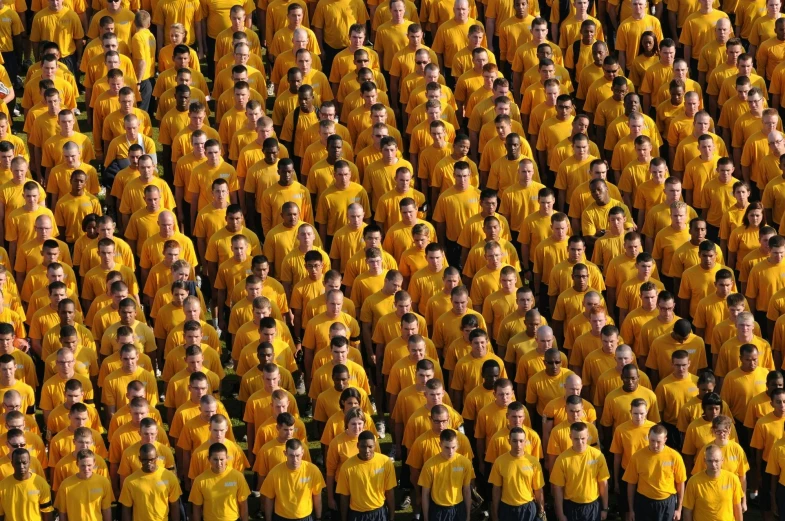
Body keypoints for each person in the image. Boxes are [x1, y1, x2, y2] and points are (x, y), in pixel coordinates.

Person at [622, 424, 687, 521]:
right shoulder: (637, 457)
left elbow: (680, 483)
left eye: (658, 442)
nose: (655, 445)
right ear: (648, 437)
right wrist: (631, 509)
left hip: (667, 503)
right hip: (644, 502)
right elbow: (631, 483)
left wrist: (679, 509)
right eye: (652, 440)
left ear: (665, 439)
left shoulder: (675, 457)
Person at [550, 422, 610, 521]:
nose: (580, 442)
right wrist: (560, 514)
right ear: (570, 437)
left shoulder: (597, 456)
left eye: (583, 438)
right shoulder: (562, 459)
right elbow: (558, 488)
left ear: (588, 436)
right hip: (571, 506)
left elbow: (603, 483)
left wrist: (605, 508)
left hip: (593, 506)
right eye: (576, 439)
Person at [335, 431, 396, 521]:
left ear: (375, 446)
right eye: (363, 446)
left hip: (379, 513)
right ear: (357, 446)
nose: (366, 450)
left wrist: (392, 516)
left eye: (370, 447)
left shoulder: (385, 463)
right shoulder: (347, 467)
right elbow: (344, 496)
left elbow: (389, 492)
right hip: (357, 515)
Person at [488, 427, 546, 521]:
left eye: (521, 441)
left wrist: (542, 510)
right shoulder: (499, 462)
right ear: (509, 441)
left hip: (528, 508)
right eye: (514, 441)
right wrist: (495, 512)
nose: (518, 445)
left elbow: (538, 489)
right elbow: (496, 489)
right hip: (507, 509)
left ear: (525, 442)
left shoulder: (533, 462)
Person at [261, 438, 325, 521]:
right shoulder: (275, 473)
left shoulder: (313, 470)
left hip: (305, 517)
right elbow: (269, 498)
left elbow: (317, 496)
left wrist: (318, 517)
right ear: (285, 453)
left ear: (302, 453)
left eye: (297, 455)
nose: (295, 460)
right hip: (281, 517)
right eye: (291, 455)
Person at [118, 443, 182, 521]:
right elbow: (126, 509)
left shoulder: (169, 477)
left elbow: (174, 505)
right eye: (145, 460)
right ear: (140, 459)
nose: (149, 463)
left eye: (151, 460)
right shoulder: (130, 481)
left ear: (157, 458)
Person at [189, 443, 250, 521]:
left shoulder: (238, 477)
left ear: (227, 458)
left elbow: (243, 503)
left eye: (222, 459)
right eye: (215, 459)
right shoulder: (200, 480)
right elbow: (196, 507)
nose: (219, 463)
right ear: (208, 459)